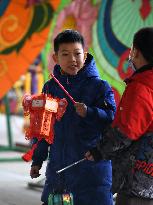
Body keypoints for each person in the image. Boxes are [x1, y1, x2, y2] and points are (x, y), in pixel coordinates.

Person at [30, 29, 116, 205]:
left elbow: (112, 120)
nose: (72, 59)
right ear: (56, 58)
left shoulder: (100, 87)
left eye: (77, 54)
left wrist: (90, 112)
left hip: (92, 173)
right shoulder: (50, 88)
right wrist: (37, 160)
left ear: (84, 55)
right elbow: (43, 129)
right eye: (65, 54)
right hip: (58, 174)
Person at [85, 27, 153, 205]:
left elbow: (126, 132)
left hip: (137, 182)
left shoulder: (141, 87)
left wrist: (99, 150)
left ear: (136, 52)